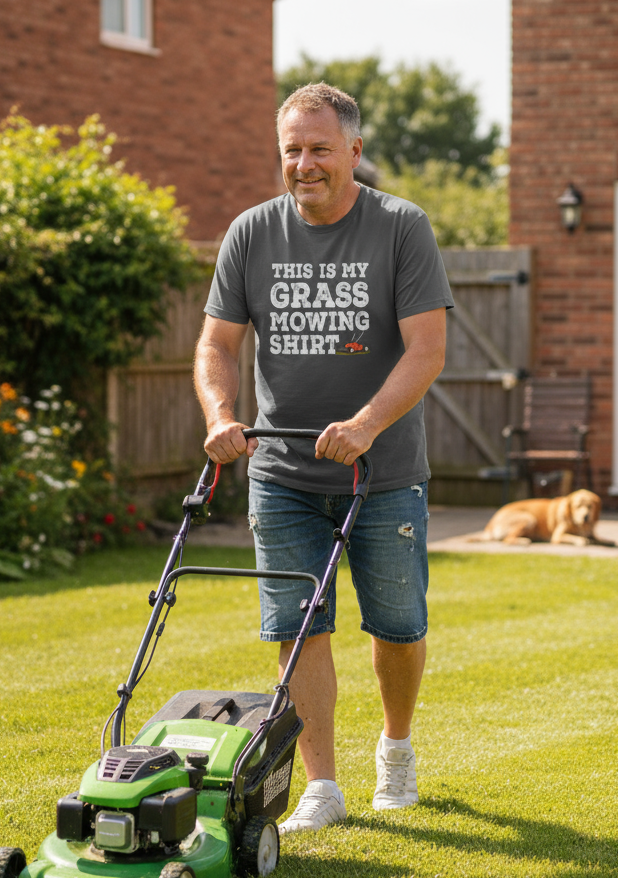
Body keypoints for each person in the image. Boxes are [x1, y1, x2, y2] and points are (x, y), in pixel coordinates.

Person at [193, 82, 453, 834]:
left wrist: (367, 423)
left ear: (354, 153)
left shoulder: (402, 227)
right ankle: (322, 786)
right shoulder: (251, 234)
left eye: (319, 149)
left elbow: (427, 349)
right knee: (296, 622)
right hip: (283, 475)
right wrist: (220, 416)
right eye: (292, 151)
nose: (304, 164)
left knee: (398, 626)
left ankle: (395, 749)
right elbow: (217, 343)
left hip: (383, 472)